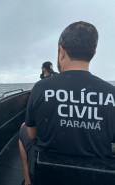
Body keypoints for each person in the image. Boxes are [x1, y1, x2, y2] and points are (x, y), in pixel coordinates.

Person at [19, 21, 115, 185]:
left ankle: (28, 182)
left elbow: (33, 135)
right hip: (96, 177)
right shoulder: (111, 93)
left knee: (23, 130)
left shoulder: (41, 87)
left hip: (49, 174)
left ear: (61, 51)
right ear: (93, 53)